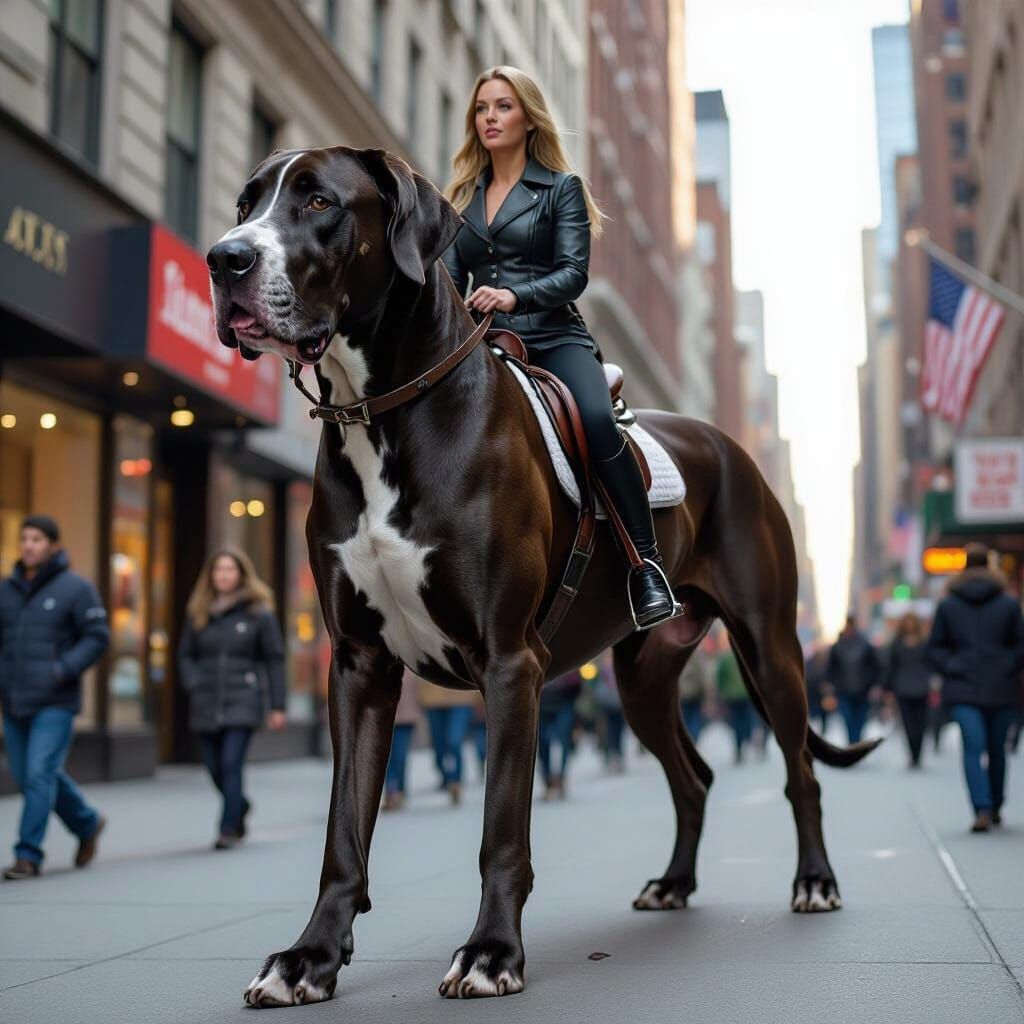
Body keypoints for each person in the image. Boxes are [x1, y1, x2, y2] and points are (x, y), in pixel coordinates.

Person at [443, 66, 681, 631]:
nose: (490, 118)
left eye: (503, 107)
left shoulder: (561, 188)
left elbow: (573, 274)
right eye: (482, 109)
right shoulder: (460, 200)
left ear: (528, 117)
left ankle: (645, 567)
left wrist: (510, 294)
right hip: (485, 344)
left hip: (553, 337)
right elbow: (450, 284)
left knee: (598, 421)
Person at [0, 516, 109, 880]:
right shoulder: (7, 590)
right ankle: (87, 823)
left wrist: (63, 669)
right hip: (15, 701)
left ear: (53, 545)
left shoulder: (75, 588)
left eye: (37, 539)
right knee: (30, 774)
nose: (29, 545)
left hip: (55, 701)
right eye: (25, 538)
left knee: (38, 774)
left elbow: (97, 636)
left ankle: (27, 855)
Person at [178, 549, 287, 849]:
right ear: (211, 576)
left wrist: (278, 705)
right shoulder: (199, 612)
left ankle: (227, 829)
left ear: (241, 574)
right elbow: (185, 654)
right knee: (214, 767)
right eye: (218, 570)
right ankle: (238, 804)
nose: (223, 575)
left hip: (244, 698)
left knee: (230, 764)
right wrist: (193, 682)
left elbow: (275, 660)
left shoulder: (259, 613)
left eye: (229, 570)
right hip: (207, 699)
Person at [927, 544, 1024, 832]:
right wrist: (1006, 664)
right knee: (996, 749)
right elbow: (1020, 645)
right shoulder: (1008, 603)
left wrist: (953, 665)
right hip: (1000, 688)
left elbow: (934, 649)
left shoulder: (947, 604)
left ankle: (982, 808)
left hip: (963, 688)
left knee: (973, 746)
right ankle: (993, 806)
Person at [883, 612, 933, 769]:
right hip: (903, 688)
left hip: (922, 688)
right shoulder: (896, 643)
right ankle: (912, 755)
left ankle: (918, 754)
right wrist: (888, 689)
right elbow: (890, 667)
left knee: (921, 724)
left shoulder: (925, 642)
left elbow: (932, 663)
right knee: (908, 725)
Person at [417, 678, 476, 805]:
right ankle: (445, 776)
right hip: (432, 699)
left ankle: (455, 781)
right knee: (439, 747)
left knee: (454, 740)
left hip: (461, 697)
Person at [826, 614, 881, 744]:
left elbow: (875, 666)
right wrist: (831, 685)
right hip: (843, 689)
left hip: (863, 689)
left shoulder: (865, 645)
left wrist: (872, 683)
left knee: (861, 719)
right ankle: (853, 743)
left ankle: (856, 741)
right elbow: (831, 668)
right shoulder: (837, 646)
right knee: (848, 718)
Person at [537, 668, 581, 799]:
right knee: (543, 746)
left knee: (564, 743)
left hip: (562, 703)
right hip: (543, 705)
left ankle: (560, 779)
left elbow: (576, 682)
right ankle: (548, 782)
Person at [382, 668, 423, 811]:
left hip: (405, 721)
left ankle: (398, 790)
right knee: (386, 758)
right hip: (384, 721)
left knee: (400, 756)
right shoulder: (377, 666)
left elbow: (418, 694)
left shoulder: (410, 667)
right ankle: (392, 792)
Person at [716, 643, 754, 763]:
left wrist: (721, 692)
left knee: (736, 720)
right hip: (745, 694)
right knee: (746, 718)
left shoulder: (725, 658)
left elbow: (719, 677)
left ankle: (739, 744)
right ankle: (745, 737)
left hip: (731, 696)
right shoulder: (746, 655)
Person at [678, 640, 713, 740]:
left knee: (686, 718)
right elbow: (703, 677)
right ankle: (693, 738)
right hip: (695, 694)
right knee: (695, 718)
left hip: (684, 695)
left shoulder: (681, 657)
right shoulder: (698, 658)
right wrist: (706, 694)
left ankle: (688, 738)